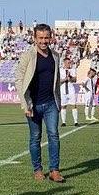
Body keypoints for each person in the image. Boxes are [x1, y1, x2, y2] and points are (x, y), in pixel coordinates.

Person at [15, 23, 64, 183]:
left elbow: (56, 81)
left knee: (54, 135)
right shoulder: (27, 56)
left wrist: (59, 102)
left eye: (46, 38)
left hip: (51, 103)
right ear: (34, 38)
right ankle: (37, 170)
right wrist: (25, 104)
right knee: (35, 137)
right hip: (33, 104)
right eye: (41, 38)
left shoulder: (55, 56)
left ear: (51, 37)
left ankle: (54, 170)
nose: (44, 41)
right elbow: (19, 80)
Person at [59, 58, 79, 127]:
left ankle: (76, 122)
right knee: (63, 106)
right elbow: (58, 81)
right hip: (63, 90)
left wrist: (70, 77)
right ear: (64, 63)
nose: (69, 64)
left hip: (71, 90)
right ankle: (63, 122)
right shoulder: (60, 70)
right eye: (67, 63)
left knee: (74, 105)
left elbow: (75, 80)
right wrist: (65, 79)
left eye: (69, 62)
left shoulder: (73, 70)